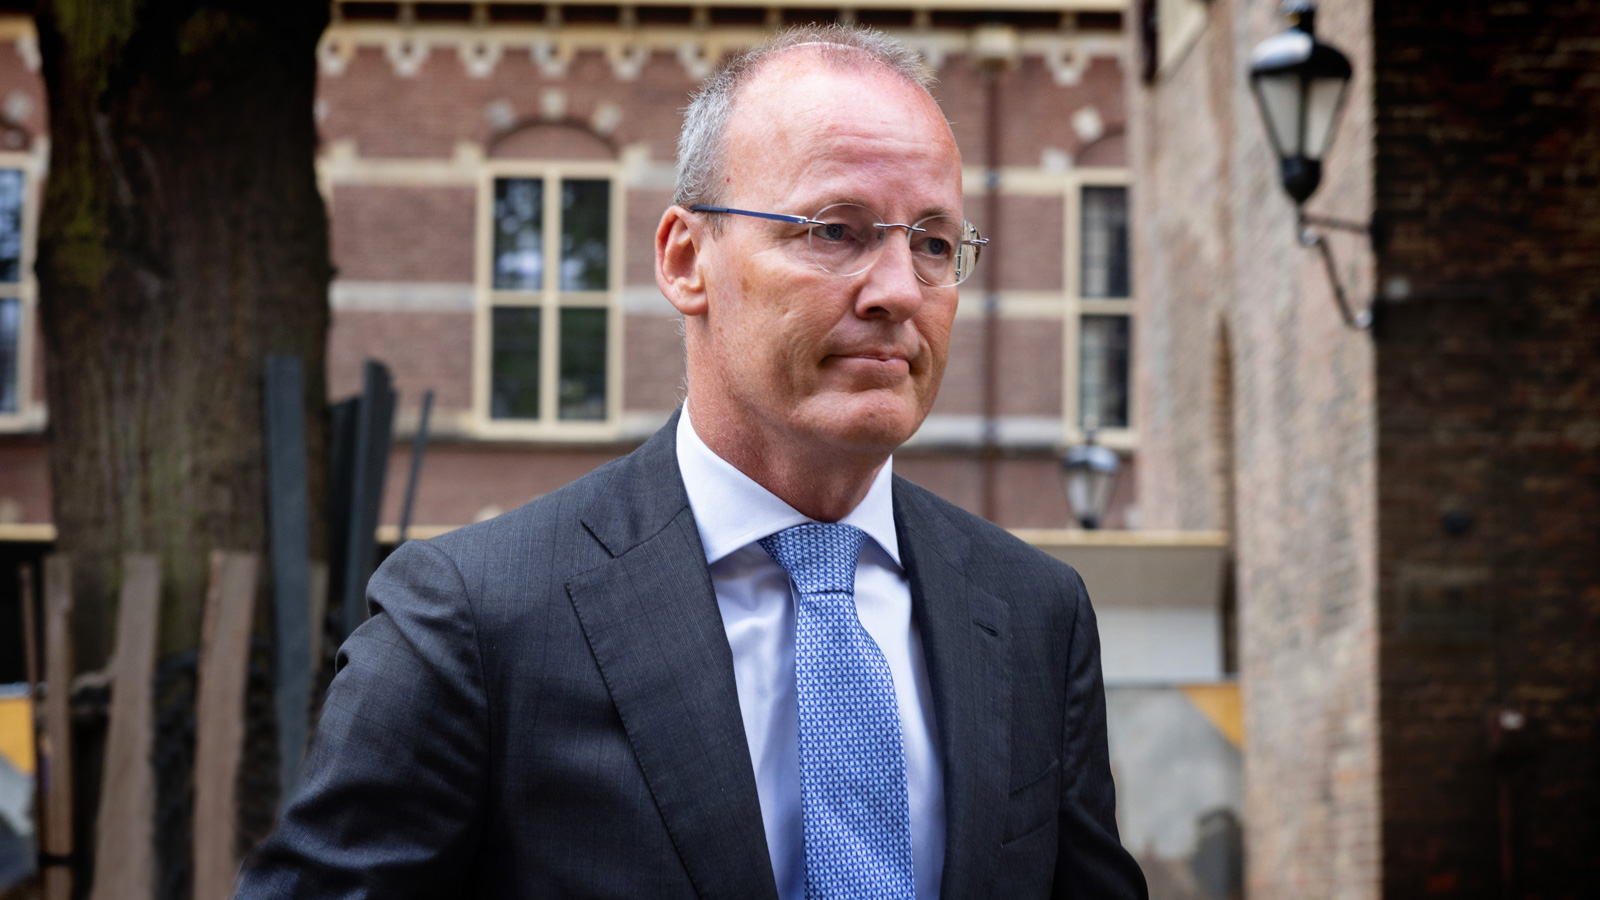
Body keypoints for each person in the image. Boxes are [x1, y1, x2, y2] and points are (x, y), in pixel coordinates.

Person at [235, 24, 1146, 900]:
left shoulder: (1035, 614)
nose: (899, 290)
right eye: (836, 230)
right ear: (684, 260)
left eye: (934, 243)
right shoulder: (475, 619)